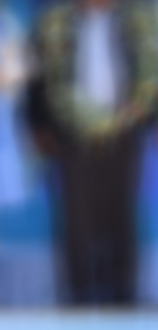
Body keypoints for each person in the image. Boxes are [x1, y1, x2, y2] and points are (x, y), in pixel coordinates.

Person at [28, 0, 153, 305]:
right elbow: (38, 77)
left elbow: (151, 73)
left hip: (124, 131)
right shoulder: (54, 24)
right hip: (72, 134)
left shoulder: (138, 23)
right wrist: (41, 125)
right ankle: (80, 301)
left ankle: (122, 301)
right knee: (77, 221)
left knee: (120, 217)